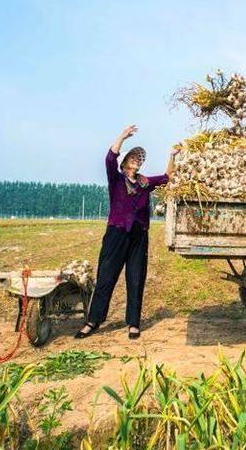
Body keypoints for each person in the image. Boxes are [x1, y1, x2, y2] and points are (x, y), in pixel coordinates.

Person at [75, 124, 179, 340]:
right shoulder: (116, 179)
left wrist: (172, 155)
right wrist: (122, 136)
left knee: (136, 279)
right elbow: (109, 159)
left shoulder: (144, 182)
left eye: (140, 159)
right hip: (116, 234)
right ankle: (93, 321)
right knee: (106, 277)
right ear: (125, 162)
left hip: (138, 236)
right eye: (133, 157)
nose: (137, 160)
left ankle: (133, 323)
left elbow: (168, 176)